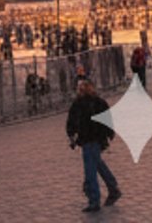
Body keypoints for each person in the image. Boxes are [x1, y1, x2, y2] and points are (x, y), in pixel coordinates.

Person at [67, 72, 121, 212]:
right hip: (92, 139)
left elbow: (73, 121)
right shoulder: (93, 102)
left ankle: (94, 199)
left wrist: (72, 135)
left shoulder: (88, 103)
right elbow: (72, 121)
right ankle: (112, 187)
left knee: (90, 168)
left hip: (91, 139)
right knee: (97, 163)